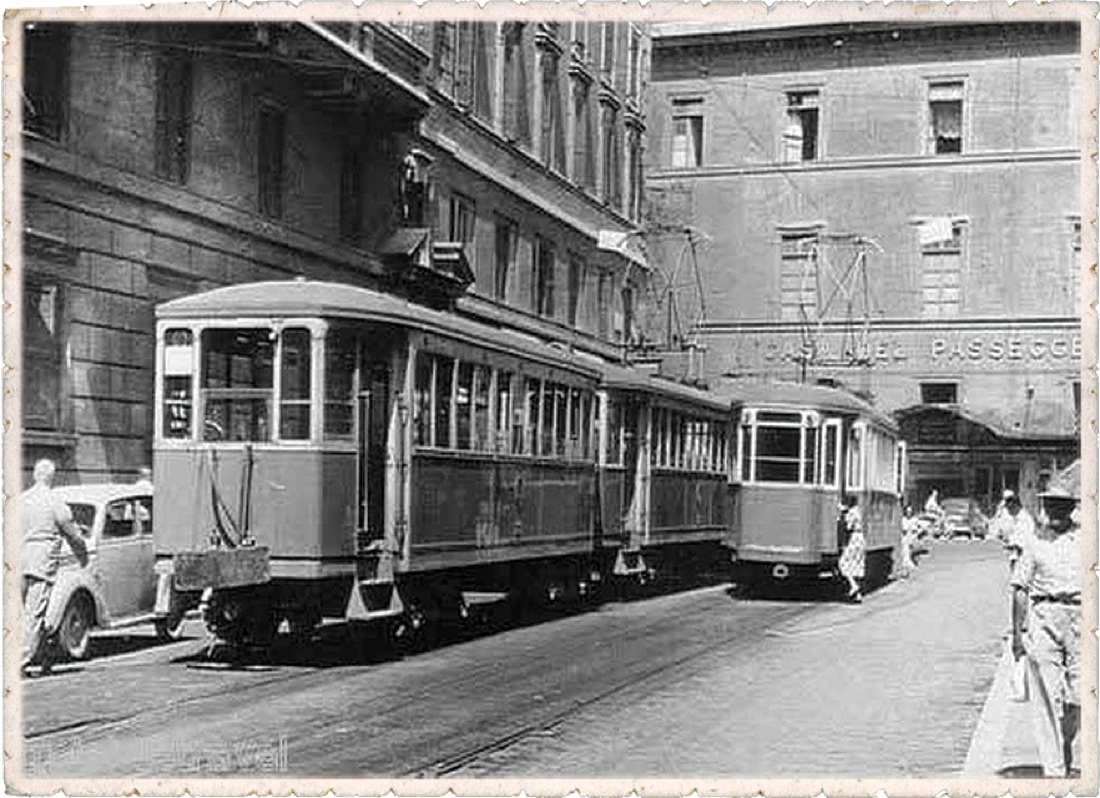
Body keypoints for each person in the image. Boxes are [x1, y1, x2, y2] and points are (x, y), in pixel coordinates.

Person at [1011, 483, 1080, 778]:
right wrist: (1017, 633)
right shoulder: (1034, 542)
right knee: (1045, 693)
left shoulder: (1087, 540)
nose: (1055, 511)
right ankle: (1054, 770)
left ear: (1071, 508)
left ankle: (1066, 739)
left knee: (1080, 695)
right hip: (1044, 616)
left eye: (1061, 505)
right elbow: (1019, 588)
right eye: (1050, 505)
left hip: (1081, 617)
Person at [21, 459, 86, 675]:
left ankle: (41, 656)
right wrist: (83, 554)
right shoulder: (54, 500)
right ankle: (20, 660)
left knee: (20, 612)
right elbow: (72, 533)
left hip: (18, 558)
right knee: (35, 612)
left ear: (34, 476)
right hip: (42, 560)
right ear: (52, 477)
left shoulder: (22, 500)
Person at [998, 491, 1037, 576]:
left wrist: (1015, 545)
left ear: (1016, 505)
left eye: (1010, 508)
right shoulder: (1007, 518)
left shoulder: (1026, 519)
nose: (1008, 510)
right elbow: (1001, 532)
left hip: (1023, 555)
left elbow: (1028, 539)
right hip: (1010, 554)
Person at [838, 496, 866, 601]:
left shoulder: (851, 513)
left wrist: (842, 515)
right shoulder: (859, 511)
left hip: (854, 539)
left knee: (843, 563)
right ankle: (858, 595)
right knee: (857, 566)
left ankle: (853, 585)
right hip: (861, 538)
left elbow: (848, 527)